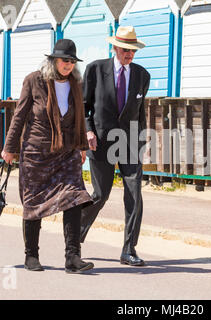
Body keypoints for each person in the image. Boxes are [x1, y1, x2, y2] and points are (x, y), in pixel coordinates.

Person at [1, 39, 94, 274]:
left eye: (73, 61)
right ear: (54, 60)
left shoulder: (76, 83)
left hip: (67, 153)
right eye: (65, 60)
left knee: (75, 198)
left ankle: (72, 258)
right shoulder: (34, 80)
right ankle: (31, 255)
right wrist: (9, 148)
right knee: (33, 203)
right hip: (37, 153)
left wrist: (81, 146)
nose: (69, 65)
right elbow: (19, 116)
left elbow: (79, 117)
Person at [80, 26, 150, 266]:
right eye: (125, 49)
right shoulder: (96, 70)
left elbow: (140, 113)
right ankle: (76, 232)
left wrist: (142, 139)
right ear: (114, 48)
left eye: (132, 50)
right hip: (100, 141)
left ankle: (129, 249)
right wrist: (88, 130)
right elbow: (83, 106)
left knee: (134, 194)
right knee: (101, 194)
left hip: (130, 141)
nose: (129, 54)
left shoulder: (142, 75)